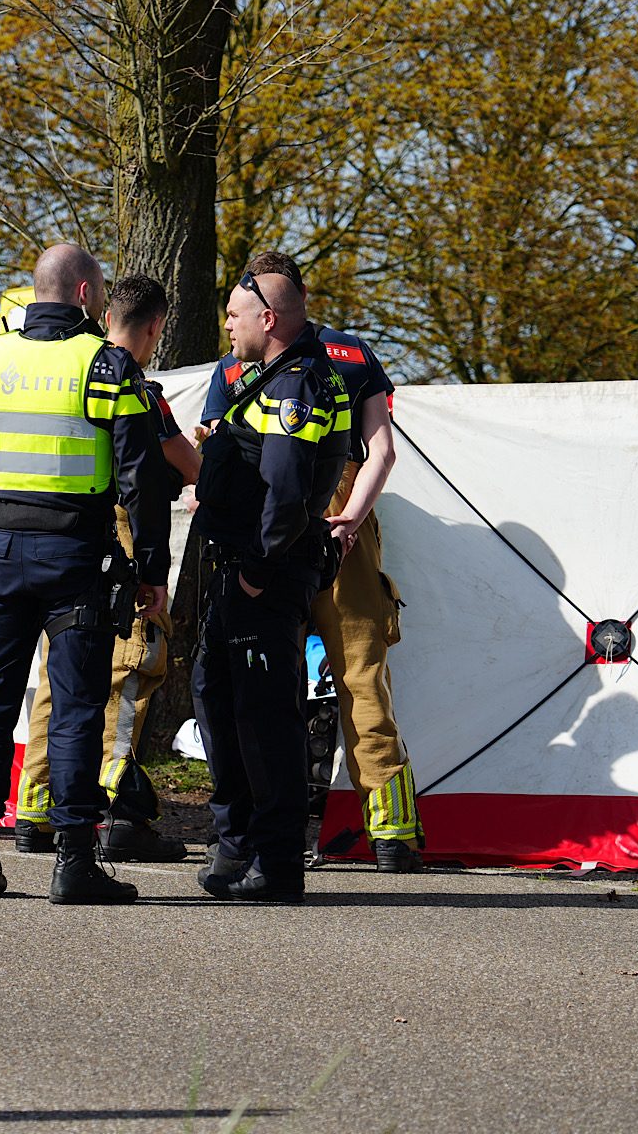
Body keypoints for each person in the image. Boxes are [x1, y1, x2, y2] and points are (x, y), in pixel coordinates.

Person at [0, 244, 171, 904]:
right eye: (96, 295)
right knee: (72, 710)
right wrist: (152, 566)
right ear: (82, 294)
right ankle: (73, 862)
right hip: (75, 557)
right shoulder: (106, 364)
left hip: (0, 554)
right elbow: (142, 475)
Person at [200, 256, 421, 872]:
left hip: (269, 523)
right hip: (342, 517)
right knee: (361, 675)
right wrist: (350, 517)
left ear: (264, 305)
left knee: (262, 682)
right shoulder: (351, 354)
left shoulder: (238, 362)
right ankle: (391, 833)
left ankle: (264, 835)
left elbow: (218, 447)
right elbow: (383, 450)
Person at [14, 274, 198, 862]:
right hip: (121, 531)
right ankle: (117, 810)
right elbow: (185, 465)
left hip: (63, 533)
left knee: (57, 677)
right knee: (133, 662)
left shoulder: (67, 369)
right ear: (153, 328)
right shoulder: (133, 383)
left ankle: (36, 808)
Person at [190, 255, 351, 903]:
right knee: (216, 696)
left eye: (234, 315)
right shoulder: (266, 379)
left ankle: (277, 859)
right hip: (244, 571)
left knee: (265, 717)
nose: (227, 325)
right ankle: (238, 840)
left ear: (268, 317)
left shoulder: (296, 386)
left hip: (267, 572)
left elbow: (286, 489)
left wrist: (257, 568)